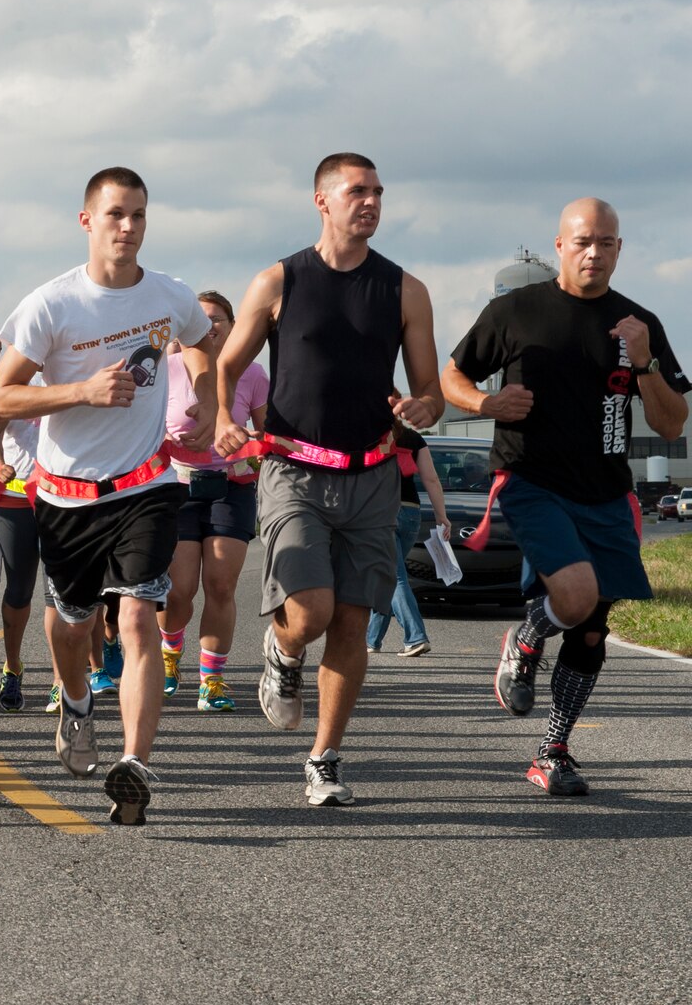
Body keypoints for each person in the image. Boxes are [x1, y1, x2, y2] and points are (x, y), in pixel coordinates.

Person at [214, 152, 444, 808]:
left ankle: (324, 758)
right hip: (293, 468)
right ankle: (283, 651)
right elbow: (227, 368)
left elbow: (429, 389)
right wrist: (226, 423)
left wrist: (425, 405)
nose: (370, 201)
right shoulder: (279, 280)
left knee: (351, 619)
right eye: (356, 191)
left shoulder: (406, 289)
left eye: (377, 191)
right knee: (310, 611)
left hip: (372, 475)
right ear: (323, 201)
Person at [443, 198, 688, 796]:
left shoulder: (639, 323)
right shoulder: (515, 310)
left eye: (606, 243)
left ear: (619, 250)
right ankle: (528, 636)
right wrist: (486, 404)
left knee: (591, 628)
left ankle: (554, 750)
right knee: (574, 595)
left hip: (606, 493)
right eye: (583, 241)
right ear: (559, 245)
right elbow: (452, 378)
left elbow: (673, 424)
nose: (594, 253)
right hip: (532, 479)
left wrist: (645, 362)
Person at [0, 167, 212, 826]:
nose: (128, 227)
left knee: (142, 617)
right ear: (87, 221)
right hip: (65, 497)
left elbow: (203, 341)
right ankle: (79, 700)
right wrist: (82, 391)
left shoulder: (170, 295)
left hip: (145, 484)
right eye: (116, 214)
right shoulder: (51, 305)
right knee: (72, 623)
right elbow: (4, 398)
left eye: (139, 215)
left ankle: (135, 763)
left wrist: (207, 397)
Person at [159, 290, 267, 712]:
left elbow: (267, 433)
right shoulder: (164, 370)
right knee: (179, 589)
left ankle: (212, 680)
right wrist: (165, 444)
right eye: (201, 317)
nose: (210, 324)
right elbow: (142, 431)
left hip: (231, 486)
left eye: (219, 318)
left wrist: (248, 449)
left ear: (232, 325)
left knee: (221, 584)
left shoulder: (253, 373)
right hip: (177, 487)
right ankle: (169, 657)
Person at [365, 409, 449, 656]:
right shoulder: (413, 438)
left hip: (380, 513)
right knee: (389, 575)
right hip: (411, 513)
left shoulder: (368, 436)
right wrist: (441, 515)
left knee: (394, 577)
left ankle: (415, 637)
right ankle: (371, 640)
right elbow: (431, 479)